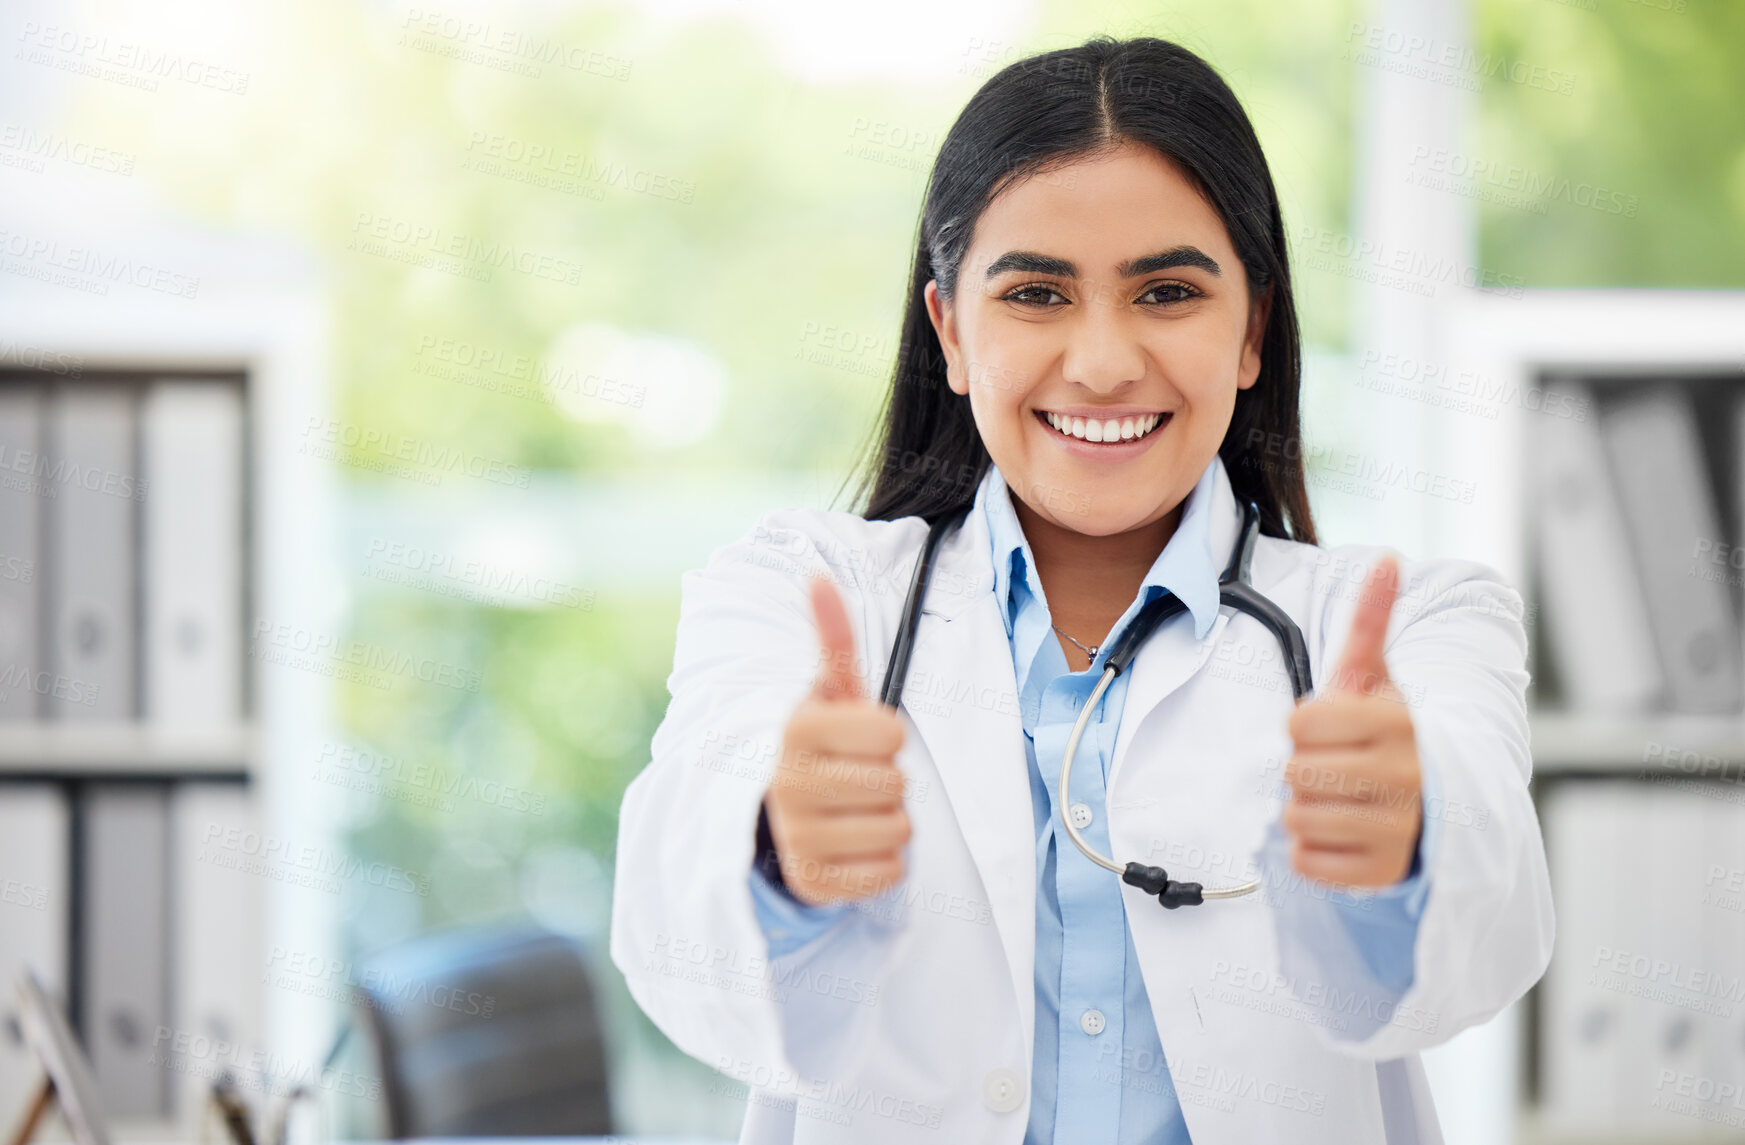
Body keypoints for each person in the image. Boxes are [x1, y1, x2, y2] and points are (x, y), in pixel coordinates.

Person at [611, 33, 1553, 1145]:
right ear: (950, 332)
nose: (1102, 362)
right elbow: (680, 929)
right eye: (1035, 294)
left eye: (1164, 291)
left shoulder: (1414, 624)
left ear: (1250, 328)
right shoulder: (794, 597)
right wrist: (783, 854)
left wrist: (1398, 845)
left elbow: (1478, 943)